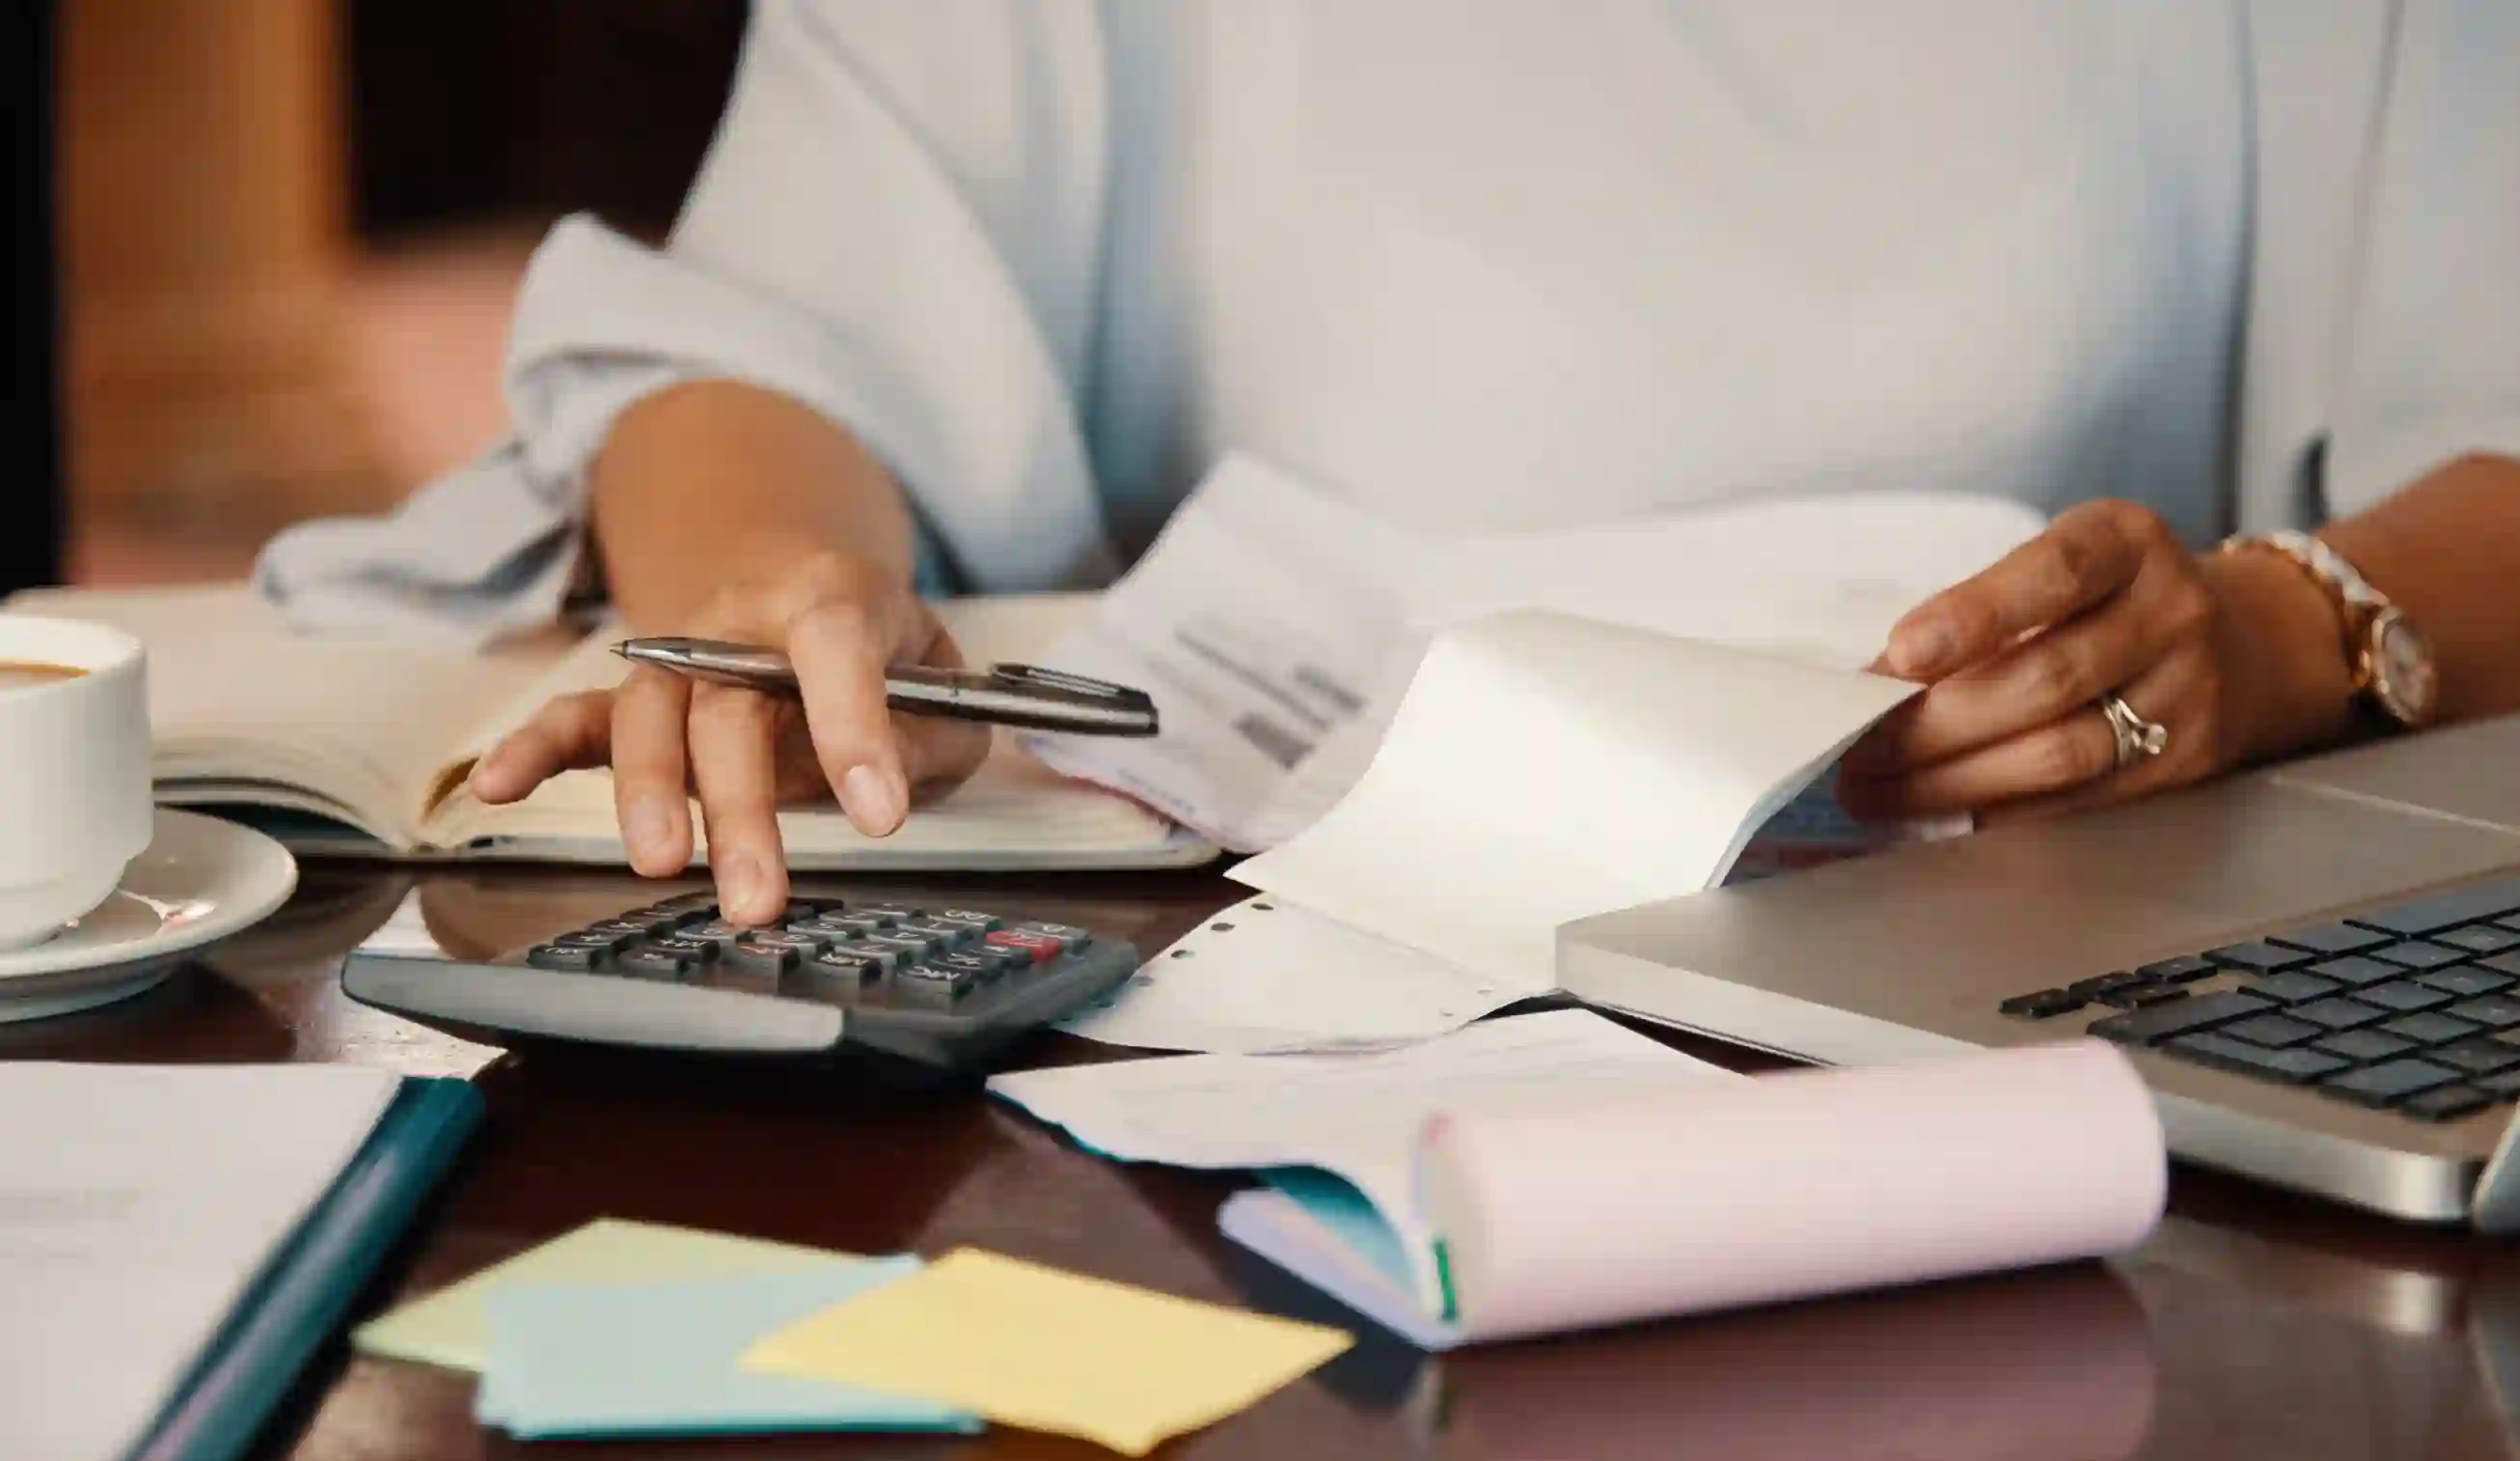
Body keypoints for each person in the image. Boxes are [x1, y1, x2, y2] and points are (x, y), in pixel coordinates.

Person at [260, 3, 2520, 926]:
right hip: (1258, 1015)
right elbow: (766, 345)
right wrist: (778, 589)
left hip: (2042, 993)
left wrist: (2276, 631)